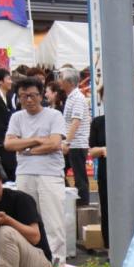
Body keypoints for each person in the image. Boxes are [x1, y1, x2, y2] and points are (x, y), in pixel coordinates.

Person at [5, 77, 67, 264]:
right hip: (24, 174)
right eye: (23, 96)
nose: (28, 100)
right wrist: (37, 140)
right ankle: (32, 264)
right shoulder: (16, 117)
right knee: (26, 220)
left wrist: (25, 149)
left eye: (32, 95)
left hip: (50, 174)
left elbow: (55, 143)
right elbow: (9, 144)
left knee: (53, 222)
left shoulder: (54, 115)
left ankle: (57, 265)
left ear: (41, 96)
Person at [88, 85, 134, 248]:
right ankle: (110, 246)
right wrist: (102, 150)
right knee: (107, 209)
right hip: (106, 174)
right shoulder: (98, 122)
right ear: (103, 99)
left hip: (129, 173)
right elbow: (91, 151)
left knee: (131, 206)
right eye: (107, 95)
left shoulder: (133, 119)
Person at [57, 68, 92, 206]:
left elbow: (76, 121)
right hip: (73, 143)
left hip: (76, 144)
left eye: (61, 79)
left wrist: (67, 142)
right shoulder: (71, 97)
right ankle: (71, 199)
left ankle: (82, 203)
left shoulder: (77, 98)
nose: (59, 81)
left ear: (69, 82)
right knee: (61, 171)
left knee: (79, 176)